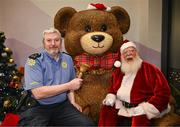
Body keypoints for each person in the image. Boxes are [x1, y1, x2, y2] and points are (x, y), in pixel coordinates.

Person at [18, 27, 94, 126]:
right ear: (43, 43)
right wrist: (69, 85)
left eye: (56, 40)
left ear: (61, 42)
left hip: (62, 106)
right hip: (38, 107)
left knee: (87, 124)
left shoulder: (67, 59)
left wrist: (72, 102)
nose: (53, 44)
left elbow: (71, 83)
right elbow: (38, 93)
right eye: (49, 40)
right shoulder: (35, 61)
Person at [98, 41, 171, 126]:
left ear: (136, 52)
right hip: (122, 106)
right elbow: (113, 90)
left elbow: (163, 92)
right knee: (107, 110)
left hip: (142, 107)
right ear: (122, 56)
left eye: (131, 51)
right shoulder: (119, 72)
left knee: (139, 119)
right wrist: (111, 97)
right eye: (125, 52)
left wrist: (145, 108)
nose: (129, 54)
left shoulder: (150, 69)